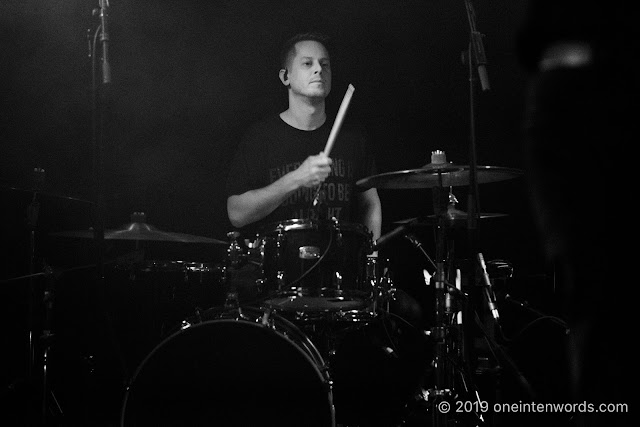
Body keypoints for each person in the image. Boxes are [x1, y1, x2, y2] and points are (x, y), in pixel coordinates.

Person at [225, 32, 381, 242]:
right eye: (307, 63)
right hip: (281, 270)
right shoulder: (261, 138)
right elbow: (237, 215)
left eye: (325, 64)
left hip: (339, 267)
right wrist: (297, 178)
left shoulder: (353, 137)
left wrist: (371, 257)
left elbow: (370, 204)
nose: (319, 69)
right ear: (285, 77)